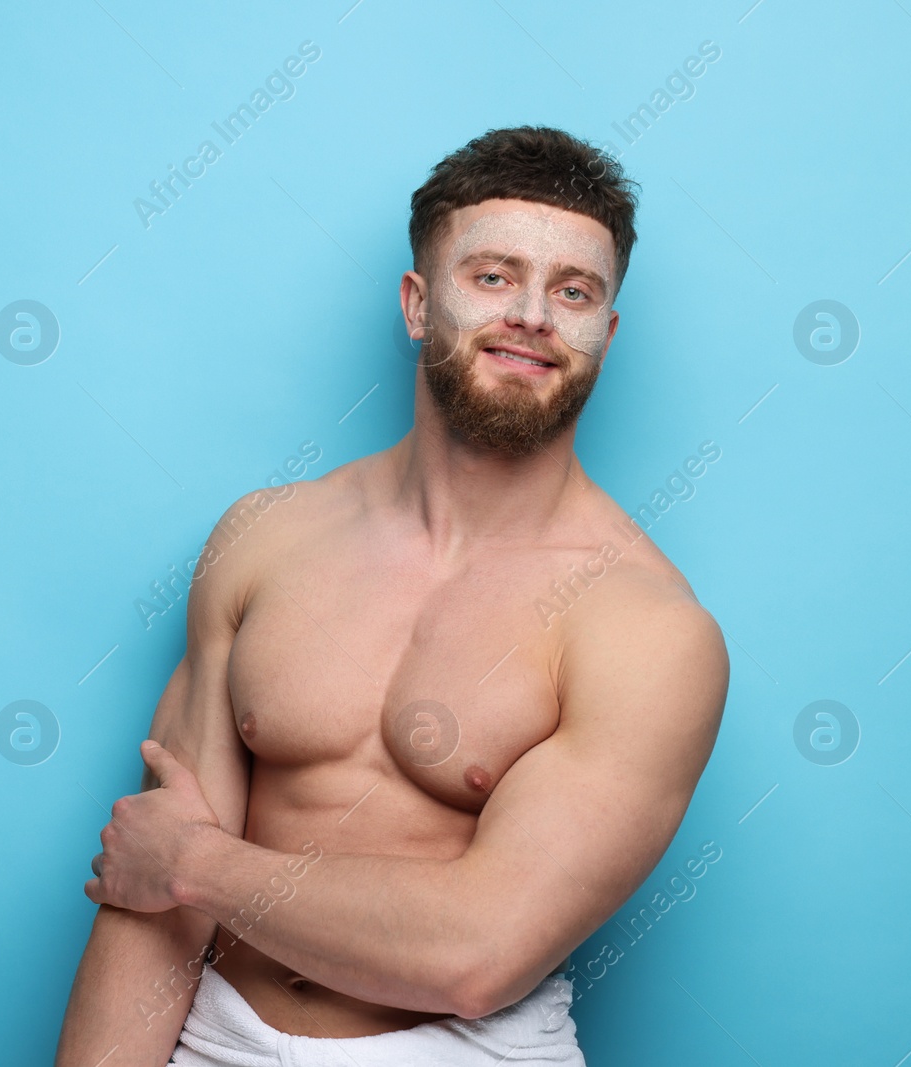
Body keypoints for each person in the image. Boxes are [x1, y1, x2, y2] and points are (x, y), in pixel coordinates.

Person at [55, 125, 730, 1066]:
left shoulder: (646, 628)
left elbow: (476, 955)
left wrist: (196, 866)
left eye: (574, 291)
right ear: (419, 305)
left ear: (606, 334)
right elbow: (147, 898)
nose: (533, 314)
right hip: (218, 1038)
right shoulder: (265, 537)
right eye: (493, 276)